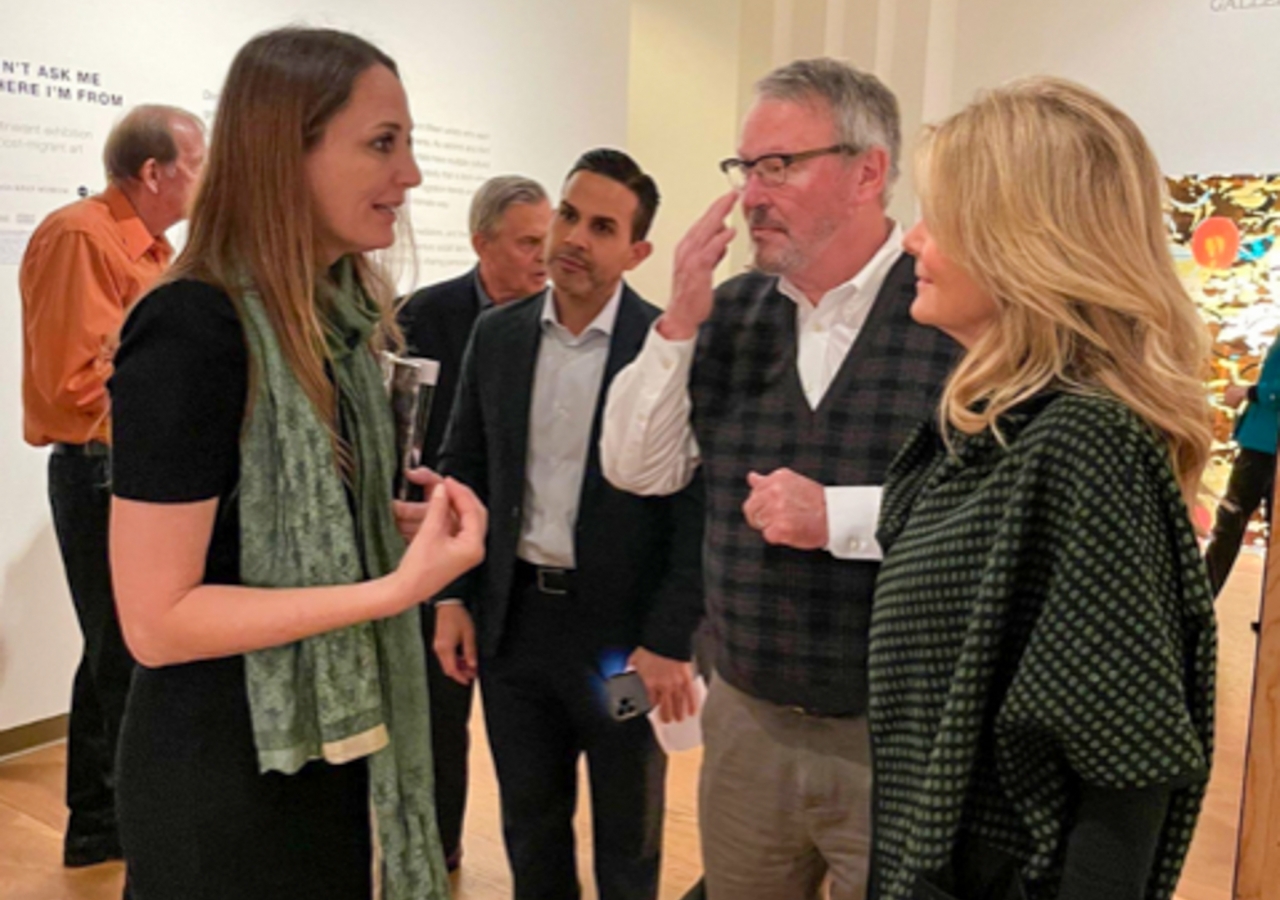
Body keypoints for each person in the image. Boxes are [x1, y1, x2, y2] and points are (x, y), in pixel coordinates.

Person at [107, 27, 485, 900]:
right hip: (226, 775)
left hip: (324, 753)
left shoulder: (332, 325)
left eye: (409, 143)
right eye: (383, 144)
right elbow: (157, 621)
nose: (413, 175)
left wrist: (381, 527)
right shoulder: (193, 329)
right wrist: (394, 588)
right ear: (287, 150)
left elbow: (256, 530)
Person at [601, 59, 957, 900]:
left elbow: (983, 510)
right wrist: (679, 322)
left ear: (869, 172)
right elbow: (638, 469)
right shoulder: (730, 315)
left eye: (779, 166)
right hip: (748, 719)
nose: (753, 194)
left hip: (898, 733)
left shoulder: (947, 307)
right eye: (745, 168)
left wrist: (837, 515)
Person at [868, 77, 1217, 900]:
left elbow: (1124, 773)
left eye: (940, 218)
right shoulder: (995, 435)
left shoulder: (1082, 445)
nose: (913, 239)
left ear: (1021, 239)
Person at [433, 148, 705, 900]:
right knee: (531, 827)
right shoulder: (499, 335)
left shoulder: (667, 350)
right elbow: (466, 470)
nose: (576, 237)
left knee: (628, 833)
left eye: (603, 226)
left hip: (619, 648)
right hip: (515, 631)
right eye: (568, 214)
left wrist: (668, 638)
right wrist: (451, 597)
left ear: (636, 251)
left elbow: (695, 508)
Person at [19, 102, 205, 869]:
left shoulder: (155, 252)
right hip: (101, 469)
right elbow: (78, 379)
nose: (209, 176)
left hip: (128, 468)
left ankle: (103, 824)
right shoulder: (79, 236)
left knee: (119, 648)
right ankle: (132, 826)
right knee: (127, 652)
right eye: (199, 161)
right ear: (155, 170)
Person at [397, 173, 551, 872]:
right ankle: (436, 853)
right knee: (436, 715)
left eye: (548, 240)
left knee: (531, 729)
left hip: (526, 559)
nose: (543, 257)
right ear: (481, 242)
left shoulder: (562, 323)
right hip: (437, 550)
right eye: (527, 243)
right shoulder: (419, 319)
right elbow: (399, 434)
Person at [1204, 338, 1280, 595]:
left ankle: (1199, 600)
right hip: (1262, 441)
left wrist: (1248, 392)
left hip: (1265, 445)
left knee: (1230, 524)